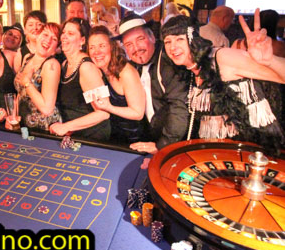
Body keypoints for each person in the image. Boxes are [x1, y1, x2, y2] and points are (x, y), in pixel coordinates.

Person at [161, 9, 285, 152]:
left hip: (259, 151)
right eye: (167, 42)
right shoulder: (188, 71)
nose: (172, 47)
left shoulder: (222, 58)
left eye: (179, 39)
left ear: (193, 39)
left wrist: (270, 61)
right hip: (224, 155)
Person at [119, 13, 189, 154]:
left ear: (152, 37)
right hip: (150, 140)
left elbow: (179, 109)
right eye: (129, 44)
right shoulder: (131, 67)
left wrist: (162, 145)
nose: (136, 48)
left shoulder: (169, 61)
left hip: (177, 145)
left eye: (140, 39)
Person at [49, 18, 110, 141]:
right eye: (64, 32)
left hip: (92, 137)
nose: (64, 37)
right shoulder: (65, 64)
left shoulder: (86, 68)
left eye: (70, 34)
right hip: (74, 135)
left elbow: (103, 112)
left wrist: (66, 126)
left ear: (82, 40)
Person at [88, 25, 146, 144]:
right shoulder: (97, 72)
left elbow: (138, 113)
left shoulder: (126, 72)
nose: (97, 52)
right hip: (113, 137)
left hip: (134, 140)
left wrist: (109, 107)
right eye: (92, 47)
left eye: (102, 46)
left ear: (112, 47)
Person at [14, 22, 62, 131]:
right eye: (45, 35)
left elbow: (47, 108)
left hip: (43, 129)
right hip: (23, 126)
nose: (48, 41)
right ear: (38, 36)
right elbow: (20, 94)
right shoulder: (27, 58)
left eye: (54, 39)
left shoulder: (52, 65)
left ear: (56, 47)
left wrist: (27, 83)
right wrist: (13, 117)